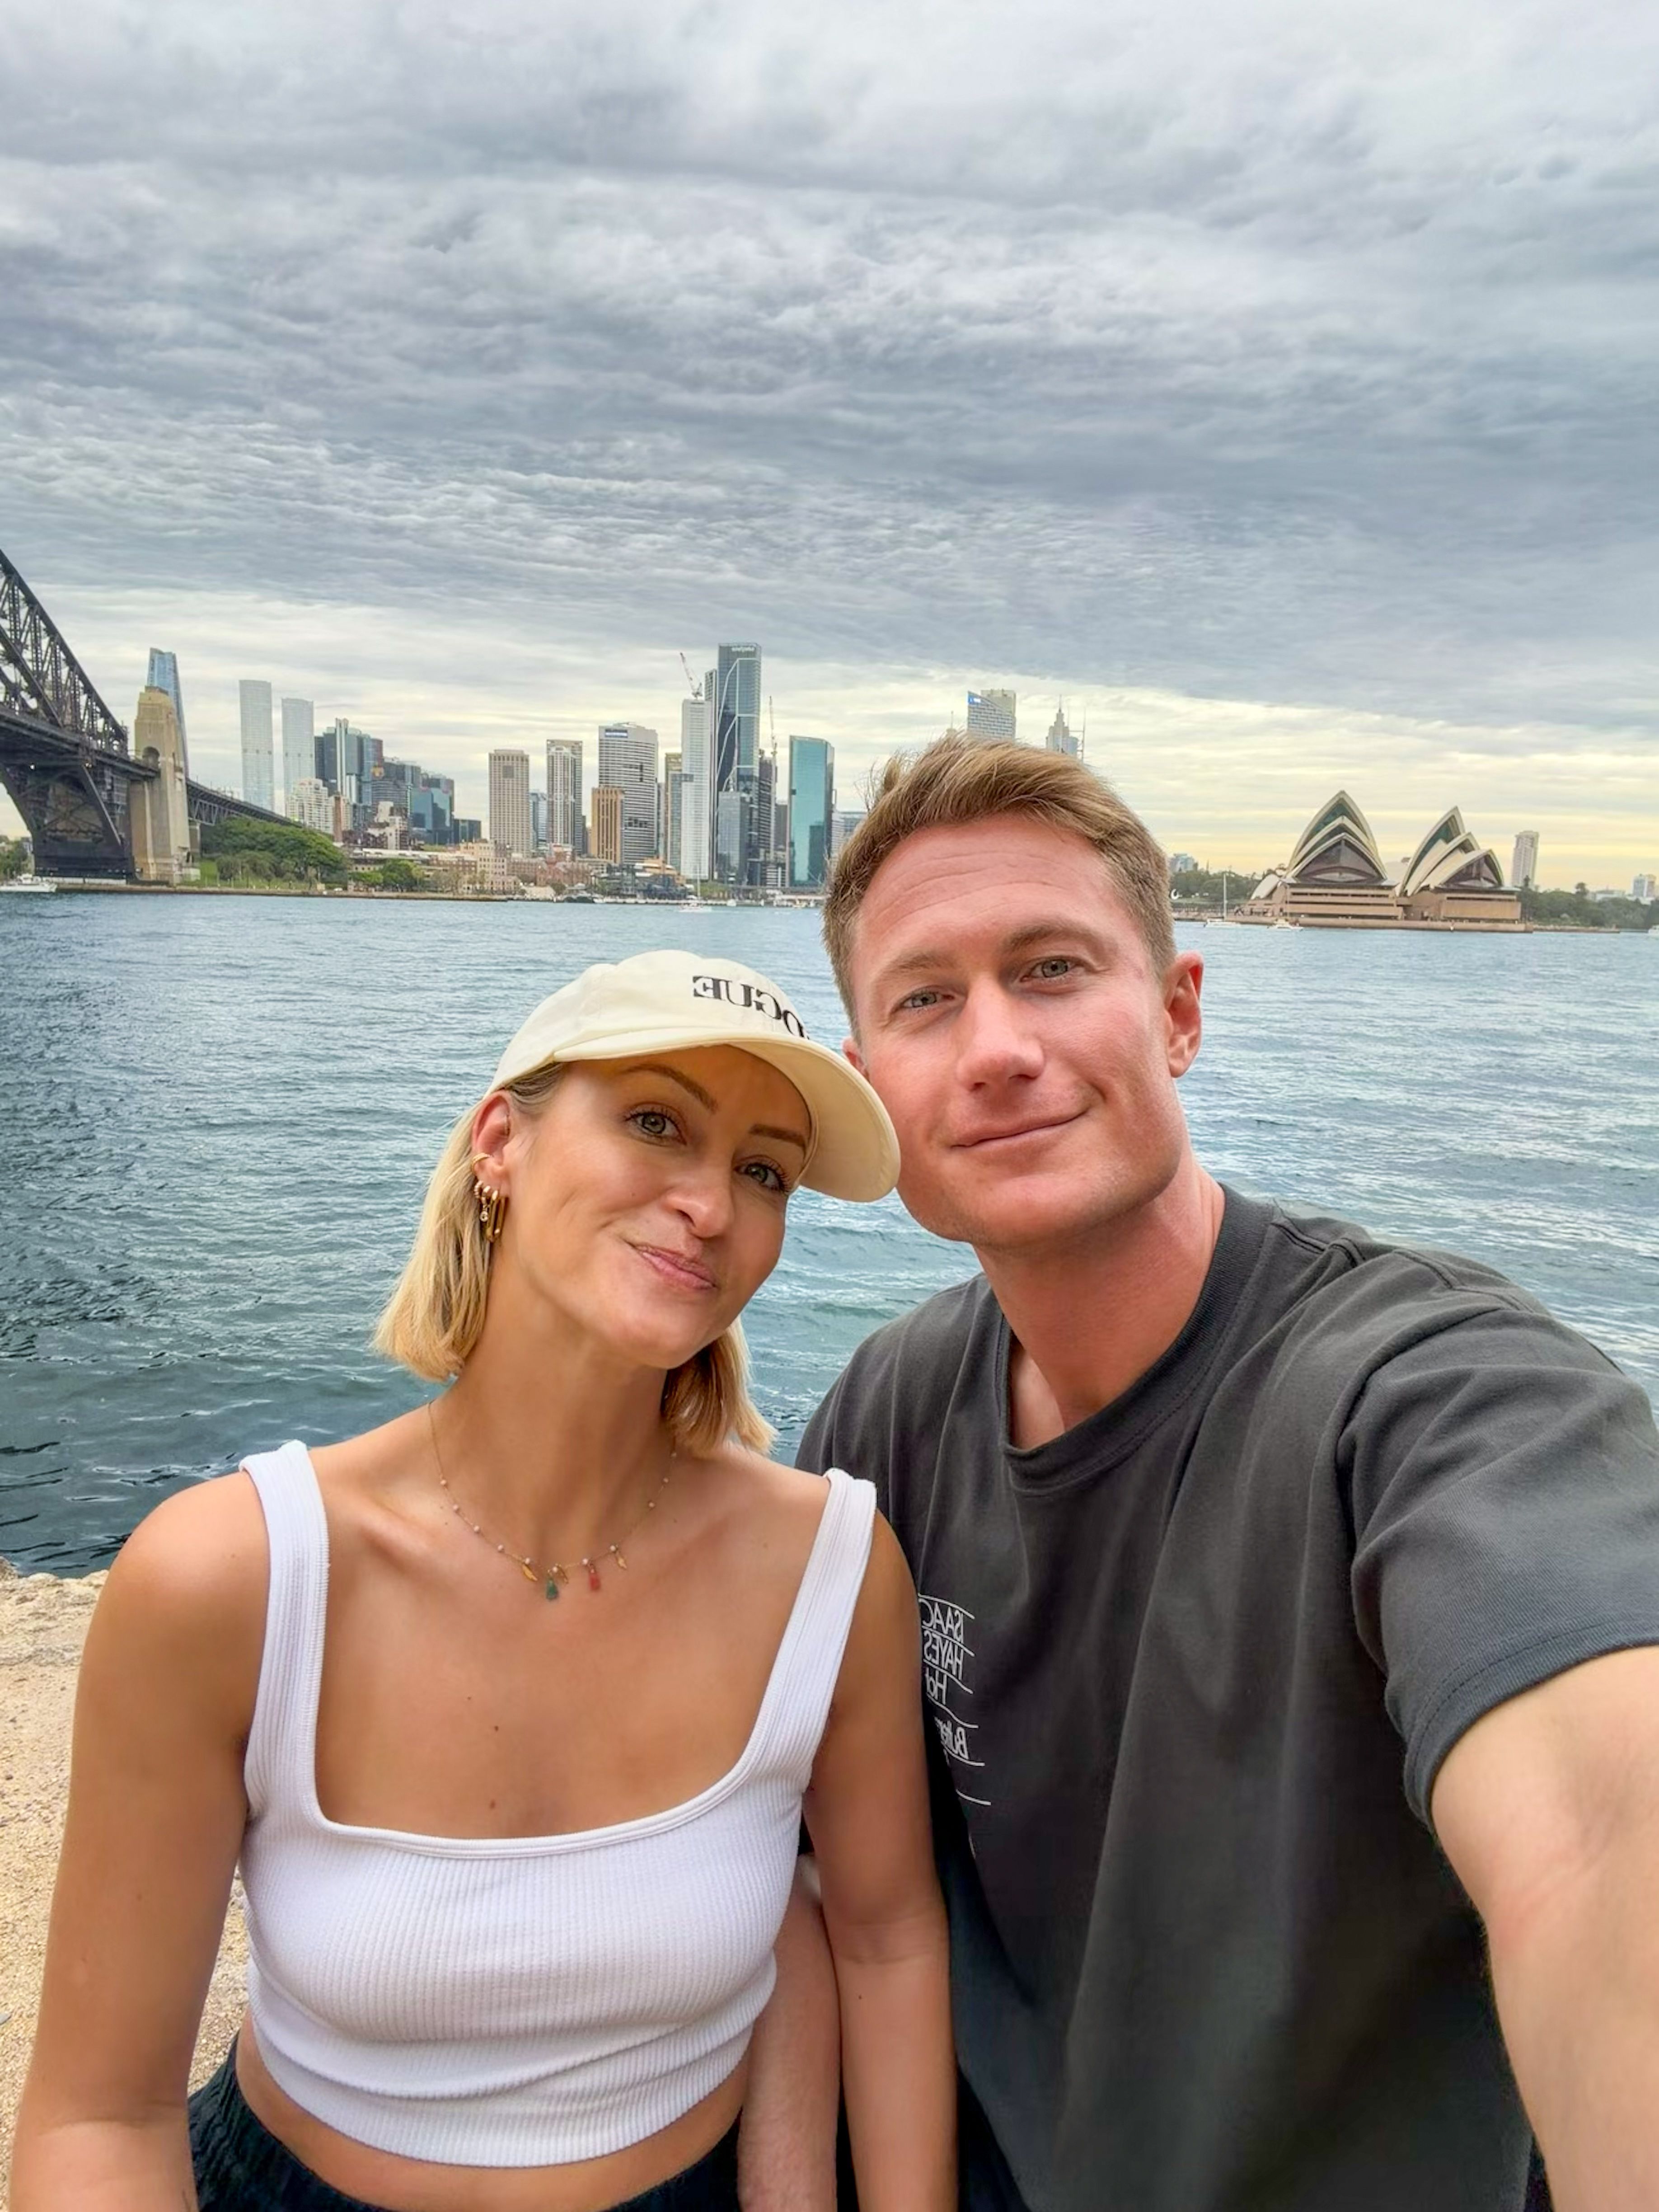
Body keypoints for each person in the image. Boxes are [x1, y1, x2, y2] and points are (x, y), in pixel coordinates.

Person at [781, 736, 1659, 2212]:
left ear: (1179, 1014)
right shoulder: (888, 1412)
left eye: (1052, 969)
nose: (995, 1047)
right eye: (926, 999)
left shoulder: (1427, 1396)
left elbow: (1599, 1834)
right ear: (872, 1087)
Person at [14, 949, 955, 2212]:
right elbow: (99, 2117)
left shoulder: (831, 1571)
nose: (710, 1205)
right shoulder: (233, 1578)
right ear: (500, 1142)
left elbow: (886, 1942)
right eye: (655, 1122)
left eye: (764, 1171)